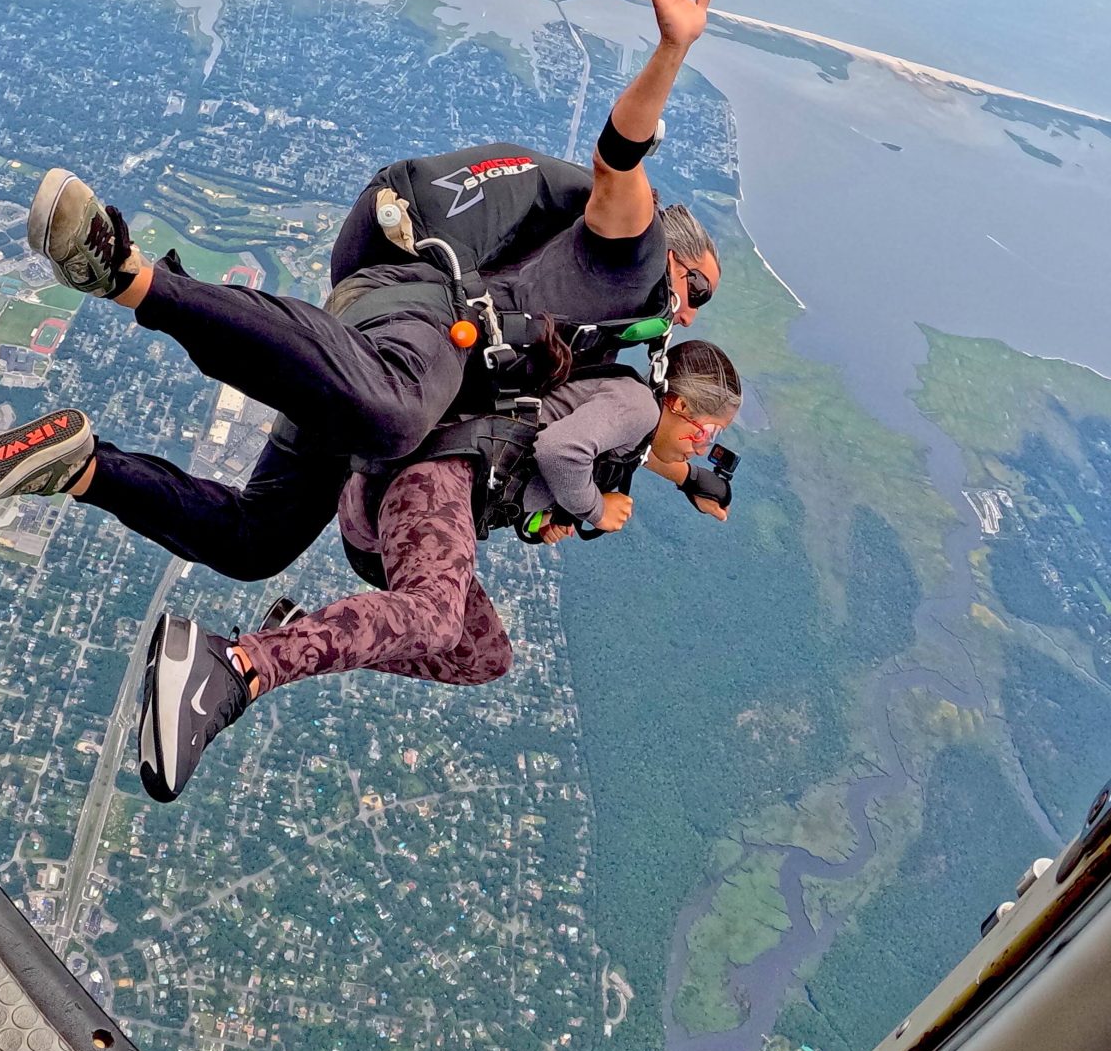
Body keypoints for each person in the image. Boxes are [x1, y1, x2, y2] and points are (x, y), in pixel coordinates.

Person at [0, 0, 725, 552]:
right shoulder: (632, 266)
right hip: (423, 306)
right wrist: (672, 51)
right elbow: (618, 160)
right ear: (673, 256)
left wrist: (694, 478)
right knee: (394, 417)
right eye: (701, 291)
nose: (689, 315)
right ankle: (127, 275)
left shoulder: (612, 352)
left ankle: (79, 468)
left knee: (255, 542)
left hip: (386, 354)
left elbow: (637, 428)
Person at [136, 340, 744, 801]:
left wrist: (551, 516)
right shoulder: (636, 404)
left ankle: (307, 632)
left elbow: (545, 453)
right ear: (679, 403)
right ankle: (236, 664)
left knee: (483, 655)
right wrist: (592, 506)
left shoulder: (636, 429)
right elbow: (560, 451)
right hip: (430, 477)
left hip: (405, 508)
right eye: (706, 430)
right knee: (435, 616)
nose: (702, 443)